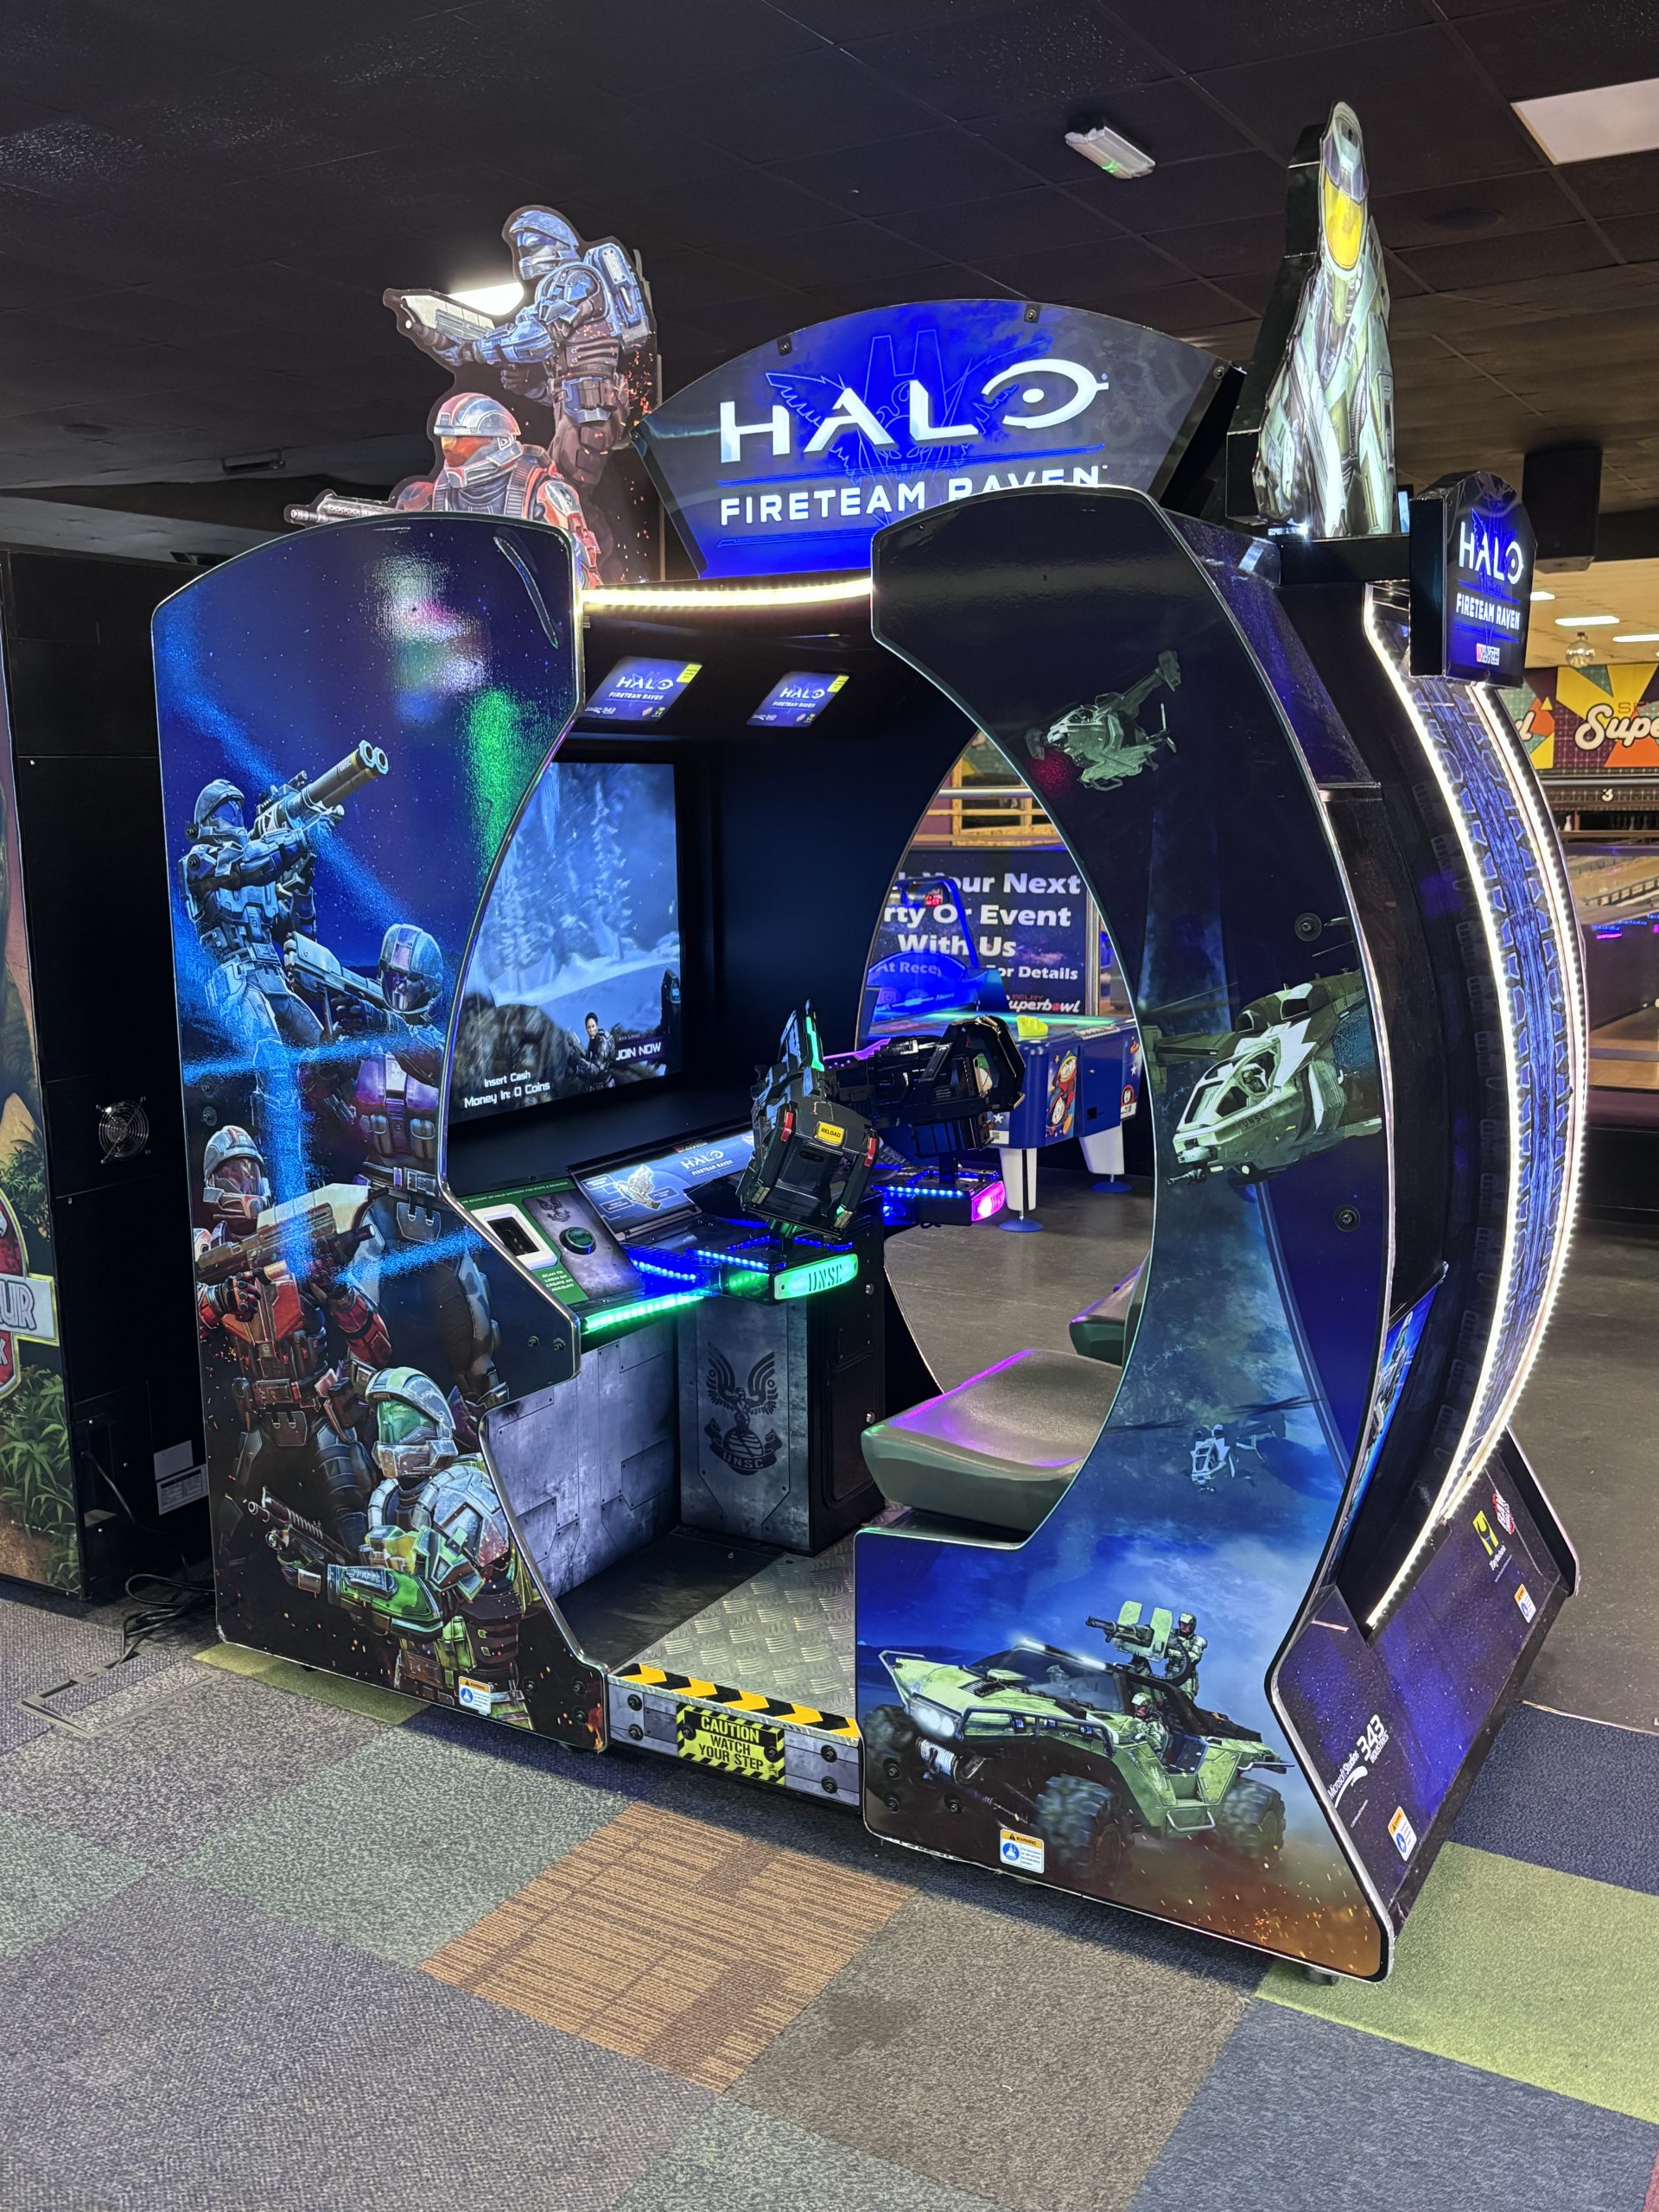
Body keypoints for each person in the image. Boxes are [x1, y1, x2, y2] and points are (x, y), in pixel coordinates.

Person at [393, 392, 601, 575]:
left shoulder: (544, 495)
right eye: (447, 443)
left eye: (461, 444)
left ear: (500, 442)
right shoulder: (429, 497)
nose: (452, 451)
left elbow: (584, 576)